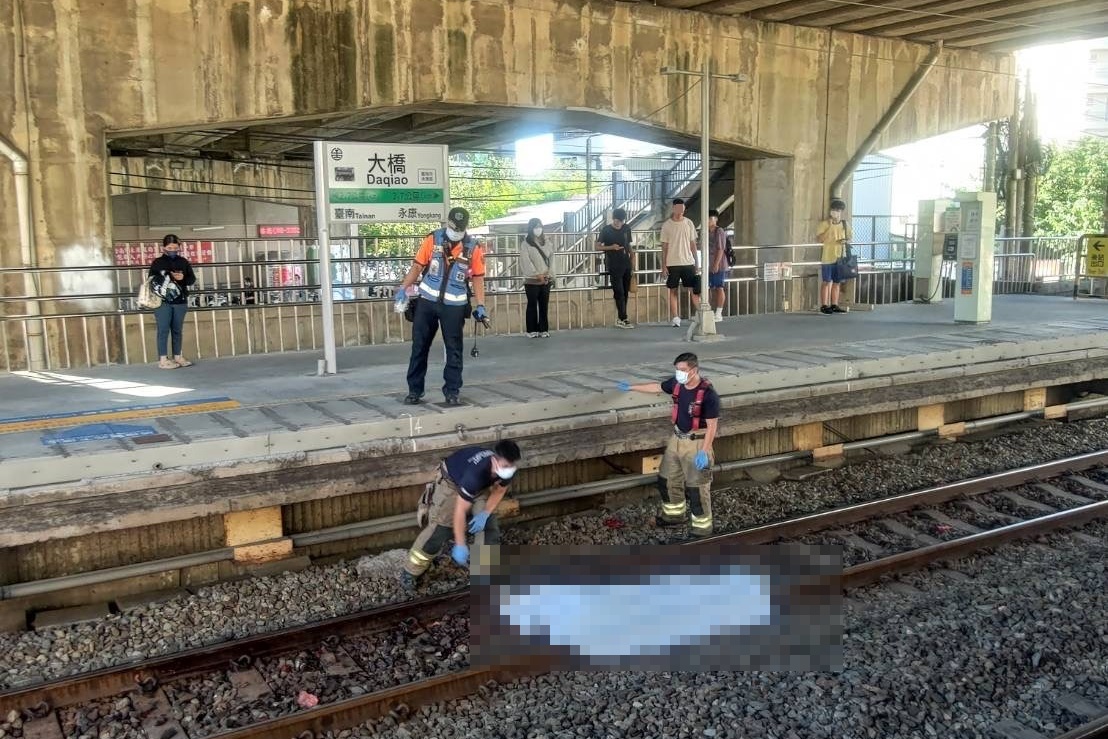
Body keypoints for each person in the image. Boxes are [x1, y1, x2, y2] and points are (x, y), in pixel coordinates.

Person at [616, 352, 719, 538]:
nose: (679, 373)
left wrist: (704, 451)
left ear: (694, 370)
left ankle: (702, 530)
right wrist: (631, 387)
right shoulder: (676, 384)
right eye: (677, 369)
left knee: (697, 488)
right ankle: (673, 517)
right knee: (667, 479)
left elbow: (712, 426)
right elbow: (657, 387)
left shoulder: (708, 395)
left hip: (697, 442)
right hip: (676, 438)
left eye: (683, 370)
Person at [395, 207, 488, 406]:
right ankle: (414, 391)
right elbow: (418, 266)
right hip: (427, 302)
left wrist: (481, 304)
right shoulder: (433, 239)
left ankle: (452, 391)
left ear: (465, 227)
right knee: (419, 347)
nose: (456, 231)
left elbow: (478, 277)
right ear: (448, 223)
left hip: (454, 306)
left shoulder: (473, 247)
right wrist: (403, 288)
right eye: (453, 227)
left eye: (460, 228)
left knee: (454, 350)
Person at [401, 439, 523, 590]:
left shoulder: (507, 468)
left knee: (488, 527)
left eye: (512, 466)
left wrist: (485, 513)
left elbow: (499, 490)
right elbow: (460, 510)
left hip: (479, 488)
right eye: (506, 466)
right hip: (452, 484)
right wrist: (460, 544)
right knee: (440, 530)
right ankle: (410, 571)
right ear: (494, 461)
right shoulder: (475, 474)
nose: (509, 469)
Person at [148, 234, 197, 369]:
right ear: (164, 248)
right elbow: (151, 280)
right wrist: (168, 277)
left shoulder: (183, 262)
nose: (173, 250)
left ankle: (178, 356)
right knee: (163, 330)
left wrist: (182, 278)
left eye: (175, 248)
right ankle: (163, 360)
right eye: (169, 248)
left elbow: (192, 279)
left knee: (177, 330)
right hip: (163, 301)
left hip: (180, 301)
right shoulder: (158, 263)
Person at [660, 198, 700, 327]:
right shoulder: (666, 225)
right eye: (678, 209)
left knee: (694, 289)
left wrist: (697, 263)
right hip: (672, 263)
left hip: (688, 262)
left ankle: (700, 314)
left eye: (682, 209)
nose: (680, 211)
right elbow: (664, 247)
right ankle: (676, 317)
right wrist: (664, 266)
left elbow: (693, 244)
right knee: (673, 290)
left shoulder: (689, 223)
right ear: (673, 208)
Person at [596, 208, 635, 329]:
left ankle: (622, 317)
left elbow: (628, 245)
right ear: (613, 219)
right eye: (617, 221)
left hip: (626, 263)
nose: (619, 223)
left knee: (625, 291)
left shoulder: (626, 228)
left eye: (621, 221)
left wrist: (632, 259)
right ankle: (623, 318)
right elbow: (597, 247)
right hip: (613, 264)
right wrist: (611, 247)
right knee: (619, 292)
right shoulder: (606, 230)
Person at [816, 198, 852, 315]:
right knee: (826, 281)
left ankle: (834, 304)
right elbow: (820, 239)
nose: (836, 212)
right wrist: (830, 226)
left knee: (837, 282)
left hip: (840, 257)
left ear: (841, 212)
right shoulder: (824, 224)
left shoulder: (845, 224)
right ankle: (824, 305)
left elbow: (849, 238)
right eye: (834, 209)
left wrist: (845, 241)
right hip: (827, 257)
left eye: (838, 210)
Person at [520, 217, 554, 338]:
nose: (538, 229)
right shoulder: (525, 244)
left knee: (544, 305)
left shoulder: (547, 242)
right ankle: (531, 330)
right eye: (535, 227)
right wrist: (536, 274)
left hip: (546, 279)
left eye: (539, 226)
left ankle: (543, 329)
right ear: (531, 228)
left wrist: (549, 273)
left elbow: (552, 258)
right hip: (532, 280)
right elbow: (526, 260)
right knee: (532, 304)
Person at [707, 209, 728, 322]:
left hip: (719, 264)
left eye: (709, 218)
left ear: (714, 219)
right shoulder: (706, 232)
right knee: (711, 287)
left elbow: (721, 249)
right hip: (709, 264)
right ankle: (711, 311)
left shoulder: (719, 231)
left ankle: (719, 313)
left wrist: (716, 264)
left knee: (719, 287)